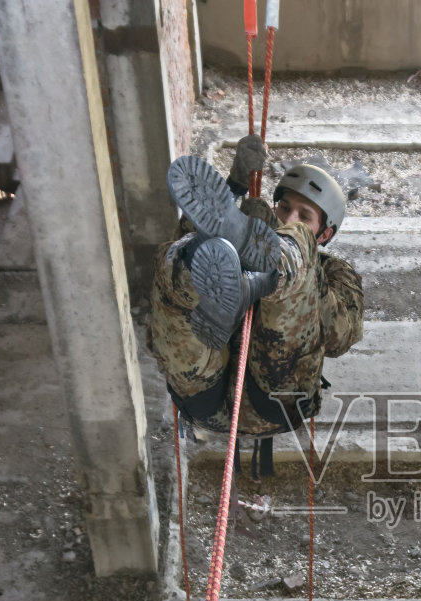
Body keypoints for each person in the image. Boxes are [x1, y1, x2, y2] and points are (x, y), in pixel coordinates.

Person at [150, 137, 363, 451]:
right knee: (175, 262)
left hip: (274, 398)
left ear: (326, 233)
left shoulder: (336, 272)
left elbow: (341, 338)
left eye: (304, 217)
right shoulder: (243, 242)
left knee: (296, 254)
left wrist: (300, 270)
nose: (288, 218)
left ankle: (270, 270)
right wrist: (235, 184)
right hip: (199, 388)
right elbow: (181, 244)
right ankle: (218, 258)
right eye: (285, 207)